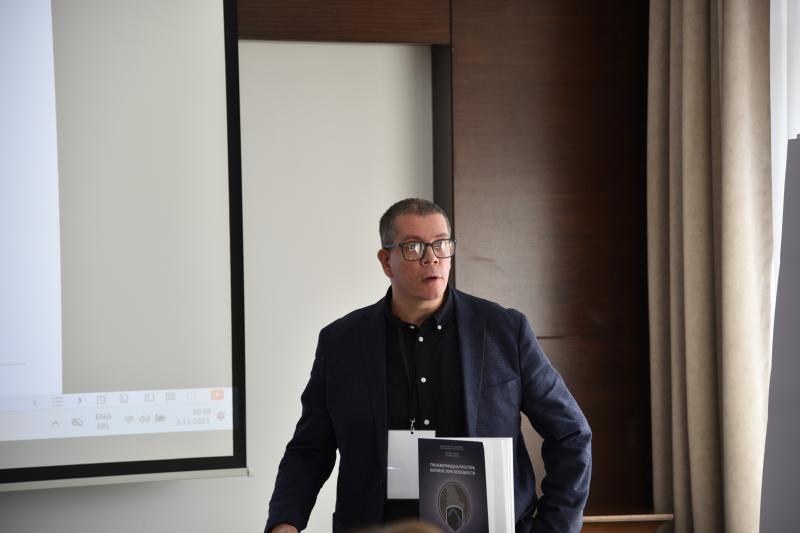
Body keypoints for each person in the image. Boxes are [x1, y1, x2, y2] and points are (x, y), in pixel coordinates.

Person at [265, 198, 591, 533]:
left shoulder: (504, 330)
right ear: (386, 261)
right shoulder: (342, 343)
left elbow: (571, 433)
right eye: (414, 247)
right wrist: (284, 522)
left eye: (441, 244)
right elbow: (309, 450)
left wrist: (554, 526)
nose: (431, 257)